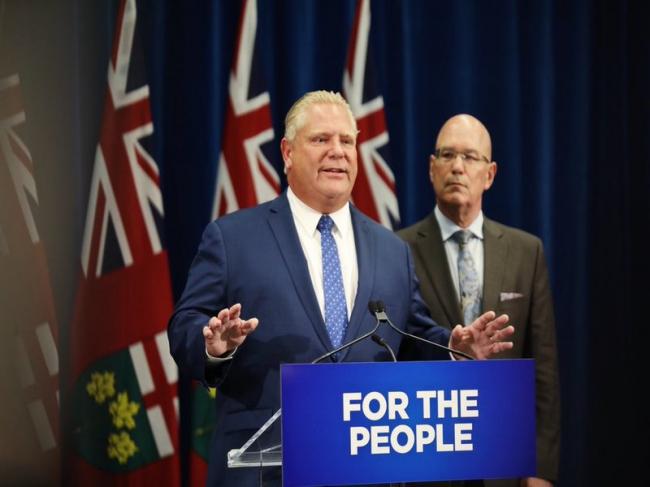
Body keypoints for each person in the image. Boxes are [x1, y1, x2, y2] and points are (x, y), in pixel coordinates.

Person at [168, 92, 515, 487]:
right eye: (321, 139)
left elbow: (410, 336)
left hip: (366, 471)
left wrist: (454, 348)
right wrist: (214, 347)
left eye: (346, 141)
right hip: (265, 472)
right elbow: (185, 324)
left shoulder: (392, 250)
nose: (337, 151)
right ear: (288, 153)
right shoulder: (233, 238)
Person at [398, 114, 560, 487]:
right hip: (428, 458)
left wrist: (540, 470)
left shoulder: (526, 252)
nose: (457, 167)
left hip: (503, 459)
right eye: (447, 155)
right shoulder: (397, 250)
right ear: (431, 168)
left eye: (470, 157)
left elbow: (543, 371)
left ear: (489, 174)